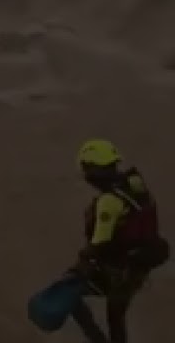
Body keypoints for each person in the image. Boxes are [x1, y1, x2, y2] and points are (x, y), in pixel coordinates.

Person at [69, 139, 169, 343]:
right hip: (139, 265)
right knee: (116, 316)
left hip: (120, 269)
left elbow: (99, 244)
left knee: (71, 294)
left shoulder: (109, 201)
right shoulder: (135, 186)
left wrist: (78, 269)